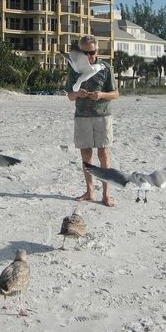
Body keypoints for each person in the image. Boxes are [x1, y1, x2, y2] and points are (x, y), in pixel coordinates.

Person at [65, 34, 120, 207]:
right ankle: (90, 192)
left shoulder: (106, 67)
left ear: (97, 50)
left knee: (104, 154)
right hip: (82, 116)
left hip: (102, 115)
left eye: (93, 52)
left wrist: (101, 95)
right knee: (86, 155)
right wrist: (77, 93)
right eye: (86, 53)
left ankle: (106, 194)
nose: (90, 56)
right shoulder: (74, 67)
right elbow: (70, 96)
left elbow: (116, 94)